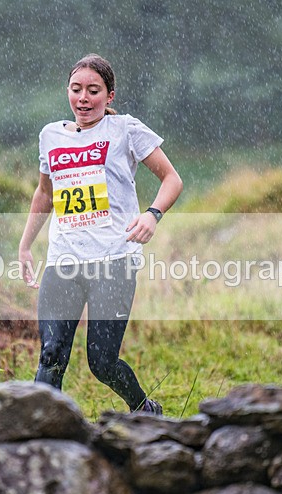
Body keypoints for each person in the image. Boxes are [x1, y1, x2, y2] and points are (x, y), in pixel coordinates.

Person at [18, 53, 183, 415]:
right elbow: (45, 194)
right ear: (67, 92)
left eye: (93, 90)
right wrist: (26, 244)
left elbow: (172, 179)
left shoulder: (125, 129)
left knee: (102, 362)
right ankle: (43, 436)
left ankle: (144, 409)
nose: (83, 98)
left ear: (110, 96)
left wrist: (153, 215)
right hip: (64, 260)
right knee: (50, 355)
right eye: (76, 90)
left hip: (114, 261)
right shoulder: (51, 135)